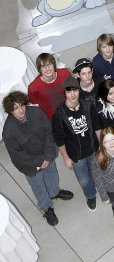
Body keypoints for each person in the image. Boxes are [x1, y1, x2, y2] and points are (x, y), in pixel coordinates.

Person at [2, 91, 73, 226]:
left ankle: (54, 192)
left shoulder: (36, 112)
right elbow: (18, 156)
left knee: (52, 174)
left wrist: (47, 157)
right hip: (31, 166)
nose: (21, 110)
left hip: (47, 155)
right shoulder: (8, 131)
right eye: (16, 108)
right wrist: (40, 162)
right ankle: (46, 207)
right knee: (38, 186)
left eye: (21, 105)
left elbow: (49, 132)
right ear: (10, 111)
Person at [51, 76, 100, 211]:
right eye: (69, 91)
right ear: (64, 93)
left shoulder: (88, 106)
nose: (72, 94)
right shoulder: (59, 114)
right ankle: (90, 196)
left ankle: (99, 188)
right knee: (84, 180)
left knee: (95, 173)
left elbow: (97, 126)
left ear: (79, 90)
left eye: (75, 90)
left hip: (92, 149)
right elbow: (59, 138)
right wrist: (66, 158)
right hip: (76, 155)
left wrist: (101, 145)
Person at [28, 53, 72, 120]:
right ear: (39, 69)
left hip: (70, 111)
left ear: (54, 64)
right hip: (52, 119)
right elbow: (34, 102)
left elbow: (73, 90)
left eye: (49, 64)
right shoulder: (33, 87)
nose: (47, 69)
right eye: (43, 66)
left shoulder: (65, 74)